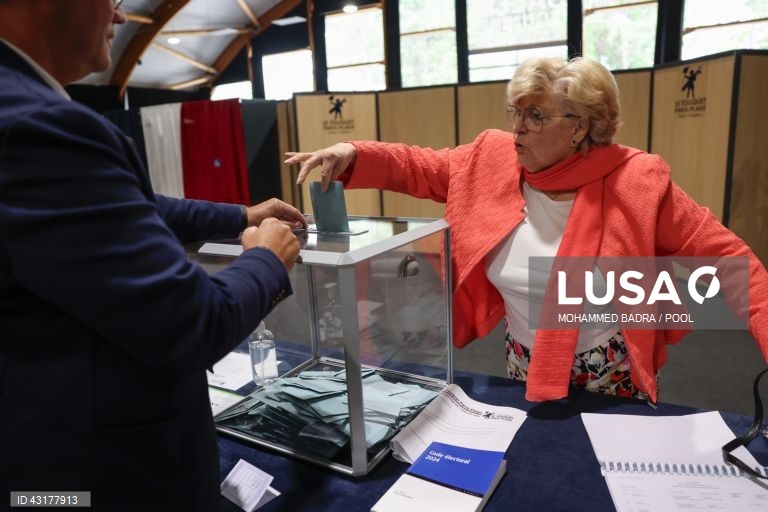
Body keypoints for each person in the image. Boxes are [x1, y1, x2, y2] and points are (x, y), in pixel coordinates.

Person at [287, 56, 768, 406]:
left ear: (580, 127)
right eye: (515, 112)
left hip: (611, 370)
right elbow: (417, 166)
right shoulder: (492, 158)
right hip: (521, 361)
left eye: (535, 116)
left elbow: (734, 263)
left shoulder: (638, 182)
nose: (517, 128)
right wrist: (352, 152)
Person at [0, 1, 306, 510]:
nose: (120, 19)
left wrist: (237, 216)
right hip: (96, 476)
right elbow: (191, 323)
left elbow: (123, 207)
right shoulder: (39, 126)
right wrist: (267, 260)